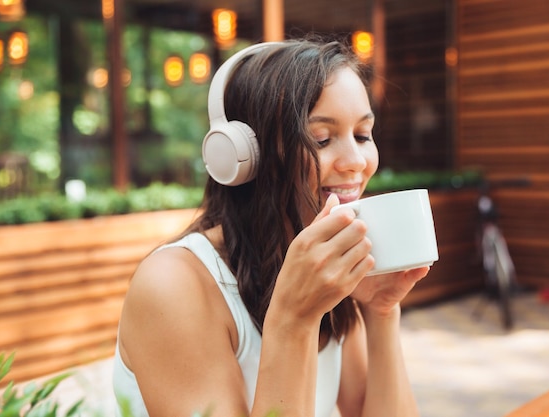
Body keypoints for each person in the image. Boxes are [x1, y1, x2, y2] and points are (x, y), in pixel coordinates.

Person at [113, 38, 430, 417]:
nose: (356, 161)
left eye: (363, 135)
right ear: (244, 156)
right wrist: (294, 320)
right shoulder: (173, 285)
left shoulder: (324, 264)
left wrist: (381, 312)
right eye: (322, 139)